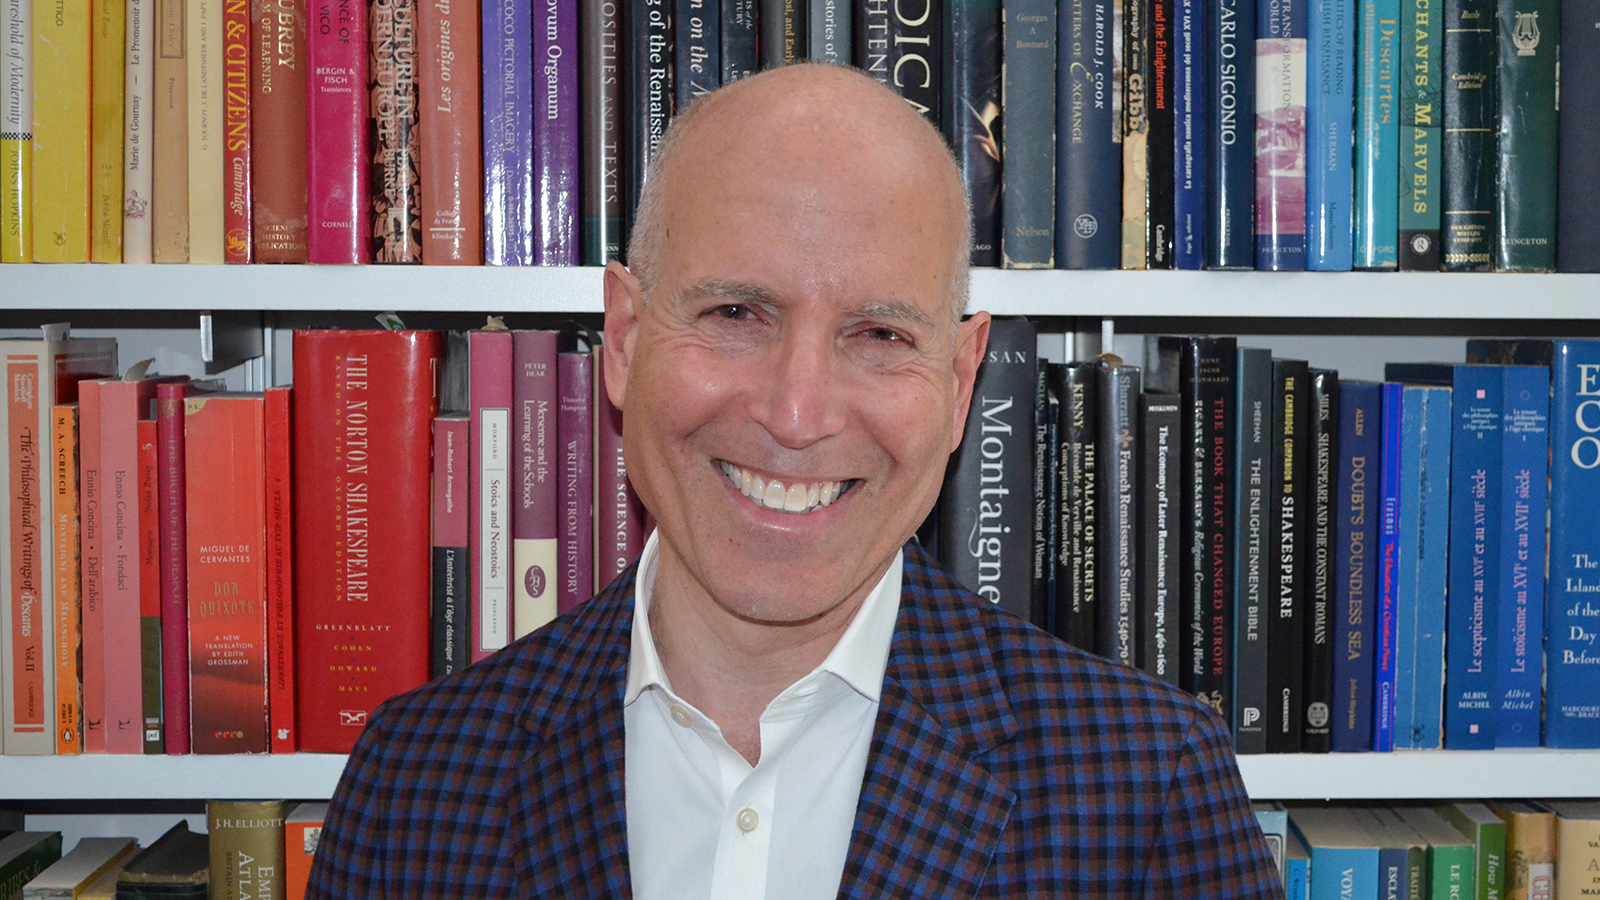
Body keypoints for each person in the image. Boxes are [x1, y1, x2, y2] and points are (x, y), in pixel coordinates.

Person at [305, 63, 1282, 900]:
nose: (798, 412)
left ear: (957, 382)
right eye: (736, 312)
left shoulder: (1148, 785)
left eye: (881, 334)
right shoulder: (415, 781)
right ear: (624, 340)